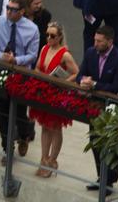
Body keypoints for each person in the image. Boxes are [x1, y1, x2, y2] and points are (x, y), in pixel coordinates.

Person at [78, 25, 118, 194]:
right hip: (95, 106)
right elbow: (80, 74)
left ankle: (109, 180)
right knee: (95, 141)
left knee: (112, 145)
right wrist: (83, 80)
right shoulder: (90, 53)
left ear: (110, 41)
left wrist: (94, 84)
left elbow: (116, 86)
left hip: (114, 108)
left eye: (99, 41)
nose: (95, 44)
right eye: (95, 40)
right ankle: (101, 176)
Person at [0, 0, 38, 156]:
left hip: (20, 75)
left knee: (20, 113)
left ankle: (24, 135)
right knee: (2, 113)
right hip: (0, 72)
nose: (9, 11)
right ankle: (7, 148)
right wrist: (3, 57)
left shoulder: (32, 29)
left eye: (13, 9)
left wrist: (16, 60)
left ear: (22, 11)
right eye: (8, 8)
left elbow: (32, 55)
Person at [28, 21, 79, 177]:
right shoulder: (44, 49)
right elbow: (37, 67)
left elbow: (76, 73)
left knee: (55, 128)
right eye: (47, 34)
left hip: (57, 94)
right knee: (44, 126)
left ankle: (52, 160)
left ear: (59, 37)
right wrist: (41, 78)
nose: (49, 38)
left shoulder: (65, 54)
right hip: (44, 93)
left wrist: (62, 82)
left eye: (52, 36)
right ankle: (43, 159)